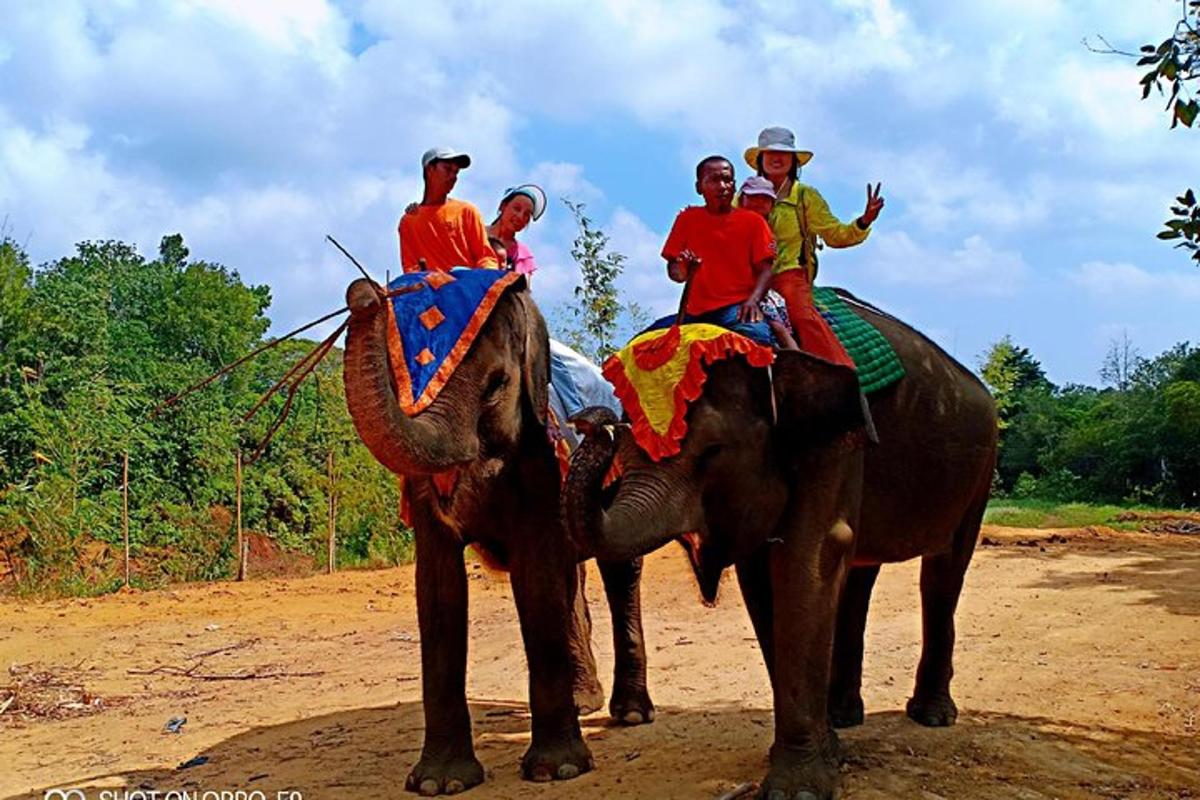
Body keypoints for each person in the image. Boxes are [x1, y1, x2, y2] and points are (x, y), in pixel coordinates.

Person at [744, 126, 884, 368]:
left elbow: (835, 235)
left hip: (787, 274)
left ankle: (841, 375)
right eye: (770, 153)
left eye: (784, 154)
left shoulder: (805, 196)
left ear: (794, 161)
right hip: (747, 276)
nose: (777, 159)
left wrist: (864, 221)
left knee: (802, 317)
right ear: (760, 158)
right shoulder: (744, 194)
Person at [648, 156, 777, 347]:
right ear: (699, 187)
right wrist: (682, 269)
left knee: (756, 339)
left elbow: (766, 269)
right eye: (714, 180)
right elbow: (675, 271)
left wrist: (752, 301)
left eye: (727, 180)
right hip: (694, 313)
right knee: (646, 343)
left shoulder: (753, 222)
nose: (723, 186)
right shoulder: (687, 219)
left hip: (737, 308)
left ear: (734, 186)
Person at [398, 146, 499, 273]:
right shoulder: (409, 221)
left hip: (467, 288)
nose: (453, 177)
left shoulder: (467, 212)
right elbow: (411, 268)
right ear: (429, 169)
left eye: (456, 172)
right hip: (428, 290)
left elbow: (486, 257)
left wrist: (485, 280)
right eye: (447, 169)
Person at [738, 176, 799, 350]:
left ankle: (798, 361)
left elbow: (766, 268)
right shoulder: (729, 223)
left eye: (764, 199)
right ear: (742, 199)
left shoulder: (764, 230)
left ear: (771, 205)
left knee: (777, 326)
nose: (758, 202)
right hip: (725, 289)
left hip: (757, 290)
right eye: (753, 197)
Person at [486, 184, 546, 278]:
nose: (520, 217)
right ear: (503, 206)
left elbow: (522, 290)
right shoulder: (476, 232)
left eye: (526, 214)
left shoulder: (523, 255)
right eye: (517, 208)